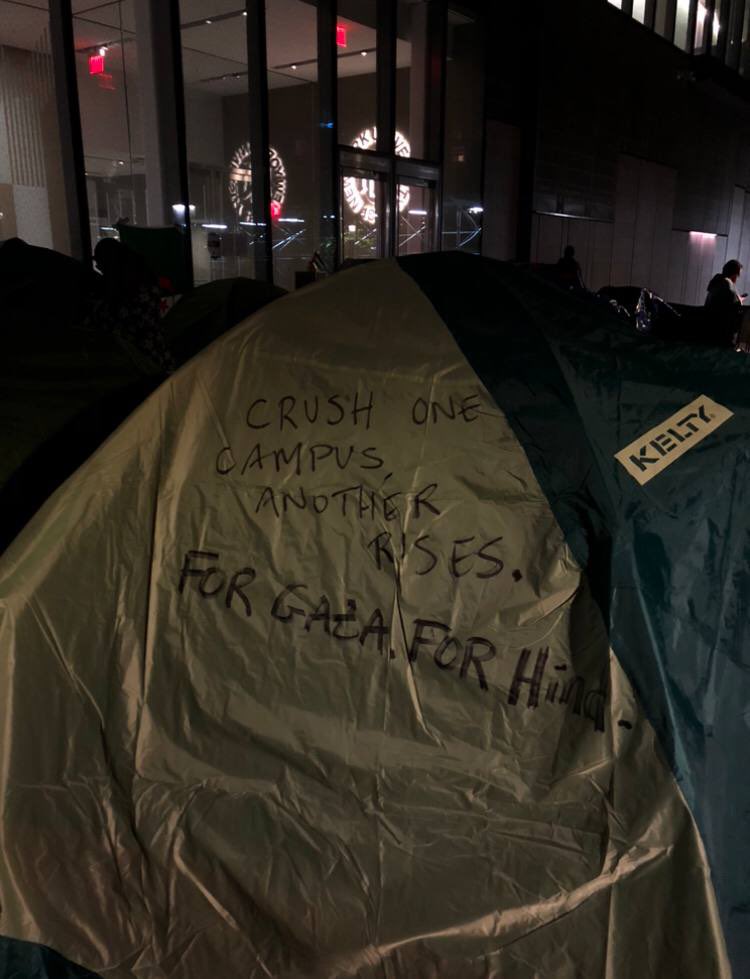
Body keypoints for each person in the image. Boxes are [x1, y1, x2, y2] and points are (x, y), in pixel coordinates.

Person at [89, 237, 175, 373]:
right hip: (154, 358)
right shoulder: (143, 283)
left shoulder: (118, 290)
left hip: (135, 362)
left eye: (98, 261)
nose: (98, 266)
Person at [705, 259, 745, 348]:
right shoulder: (727, 284)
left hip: (710, 328)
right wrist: (740, 301)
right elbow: (733, 308)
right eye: (738, 275)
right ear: (735, 273)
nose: (737, 278)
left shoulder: (717, 281)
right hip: (722, 332)